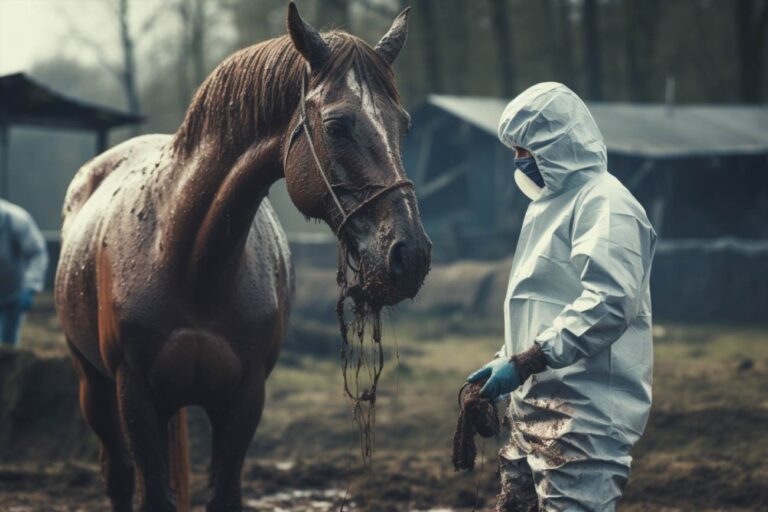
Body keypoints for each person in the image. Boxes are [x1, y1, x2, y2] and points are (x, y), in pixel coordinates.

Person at [467, 82, 657, 512]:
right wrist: (507, 358)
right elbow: (542, 304)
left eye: (525, 148)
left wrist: (527, 360)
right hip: (534, 409)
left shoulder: (607, 205)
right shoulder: (548, 206)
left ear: (557, 142)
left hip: (585, 418)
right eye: (515, 150)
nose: (518, 161)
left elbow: (610, 302)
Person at [0, 199, 48, 347]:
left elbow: (36, 253)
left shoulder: (16, 220)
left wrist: (30, 287)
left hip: (12, 295)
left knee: (7, 345)